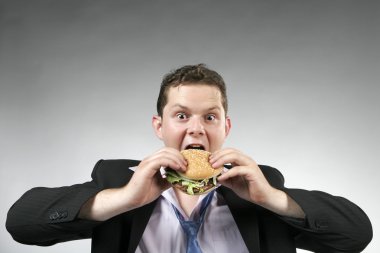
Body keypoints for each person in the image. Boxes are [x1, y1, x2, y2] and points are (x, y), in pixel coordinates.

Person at [6, 64, 372, 253]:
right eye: (181, 116)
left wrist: (272, 199)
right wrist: (124, 199)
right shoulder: (118, 179)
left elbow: (356, 235)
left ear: (225, 127)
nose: (196, 129)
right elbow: (21, 223)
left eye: (209, 117)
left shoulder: (260, 185)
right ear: (159, 126)